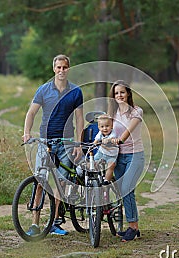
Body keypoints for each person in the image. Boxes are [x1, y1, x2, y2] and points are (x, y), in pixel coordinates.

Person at [22, 54, 84, 236]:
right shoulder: (43, 90)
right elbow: (31, 113)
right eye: (58, 67)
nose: (62, 71)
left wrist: (79, 144)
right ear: (53, 69)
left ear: (68, 69)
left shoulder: (75, 92)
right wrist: (27, 132)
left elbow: (80, 119)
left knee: (61, 183)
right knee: (40, 181)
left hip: (66, 143)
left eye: (65, 67)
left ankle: (55, 222)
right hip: (45, 141)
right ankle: (35, 224)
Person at [107, 80, 144, 242]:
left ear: (128, 93)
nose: (119, 96)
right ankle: (132, 226)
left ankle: (133, 227)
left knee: (127, 188)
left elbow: (128, 130)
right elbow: (104, 129)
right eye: (116, 93)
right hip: (118, 157)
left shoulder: (136, 111)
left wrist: (119, 140)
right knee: (125, 191)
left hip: (135, 155)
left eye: (122, 92)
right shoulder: (113, 114)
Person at [93, 114, 119, 184]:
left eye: (107, 126)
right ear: (99, 127)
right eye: (102, 126)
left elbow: (112, 138)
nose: (105, 128)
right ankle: (96, 176)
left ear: (112, 126)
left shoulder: (113, 133)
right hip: (101, 153)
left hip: (112, 155)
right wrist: (94, 144)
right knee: (93, 162)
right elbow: (97, 139)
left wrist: (109, 140)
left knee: (111, 166)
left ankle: (106, 180)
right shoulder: (100, 133)